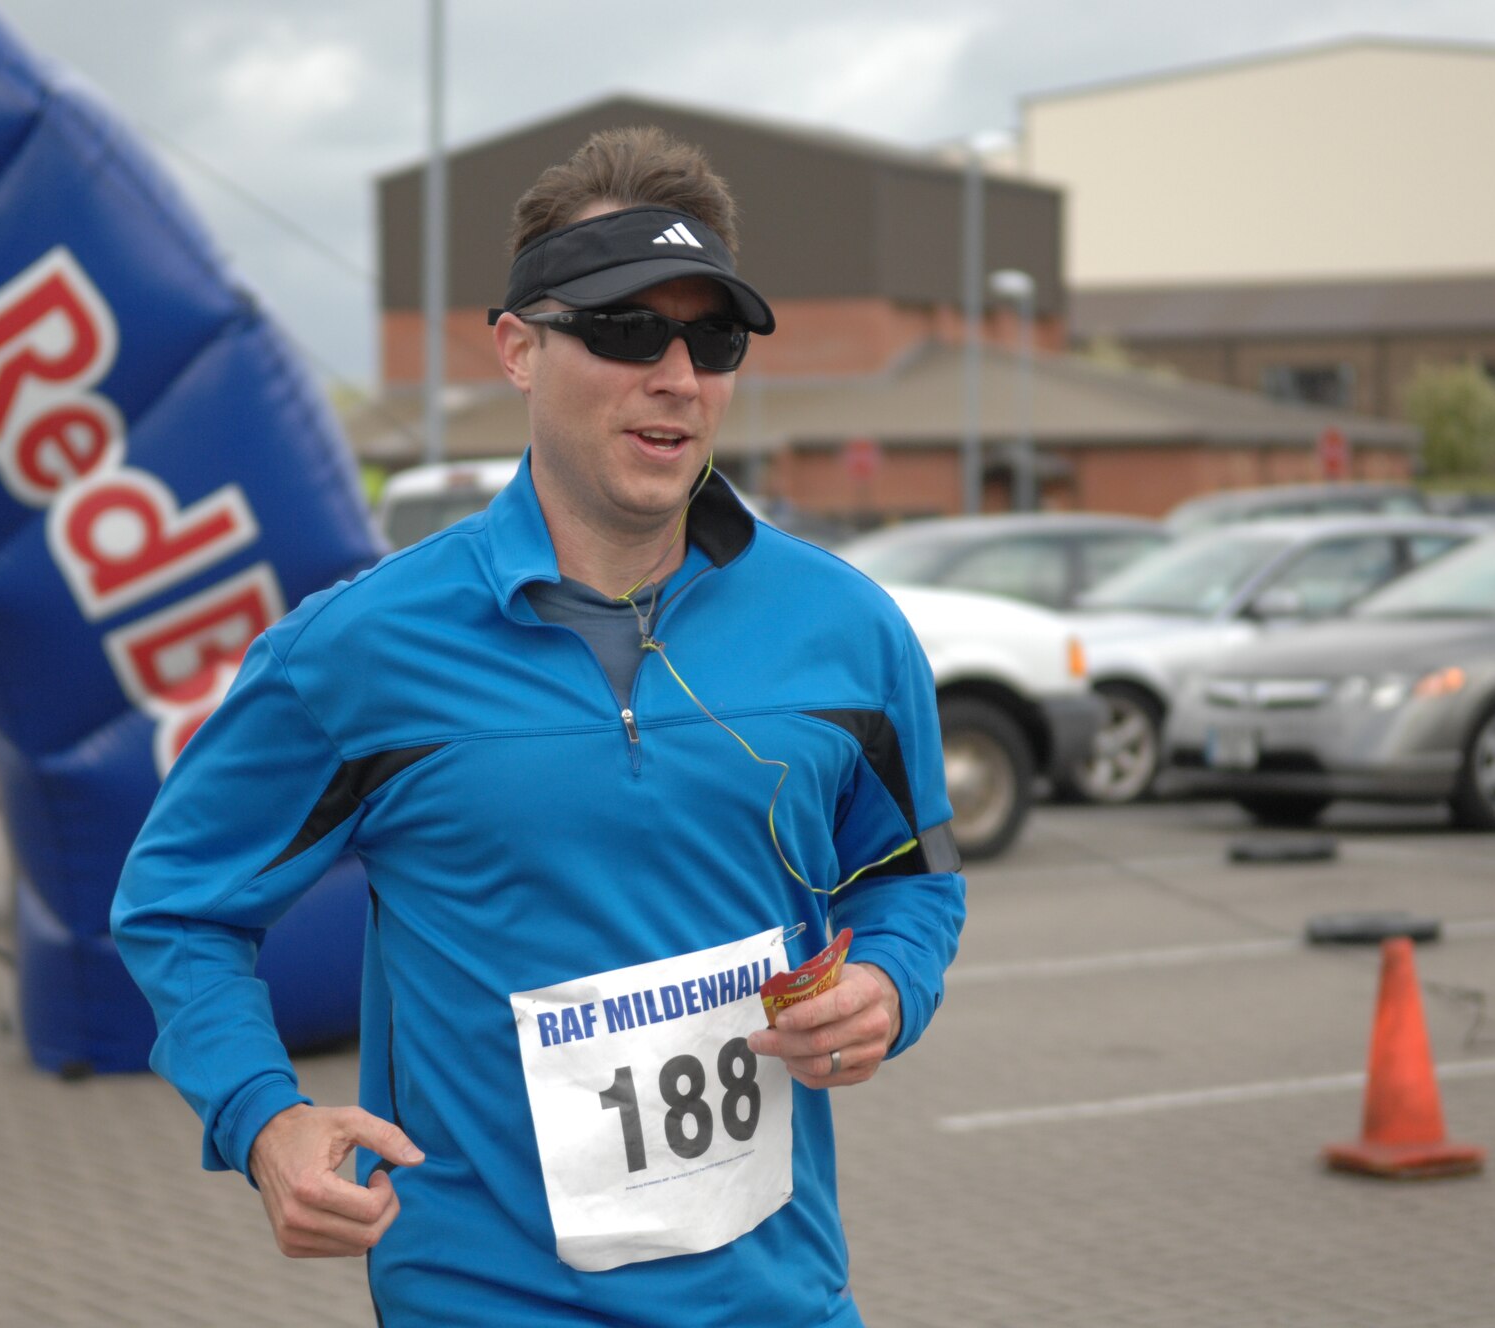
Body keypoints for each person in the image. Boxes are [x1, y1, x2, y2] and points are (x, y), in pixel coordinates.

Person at [113, 126, 966, 1327]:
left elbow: (910, 877)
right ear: (517, 348)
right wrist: (264, 1115)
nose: (676, 375)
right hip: (485, 1300)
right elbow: (176, 905)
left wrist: (886, 981)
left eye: (712, 339)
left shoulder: (845, 626)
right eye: (625, 329)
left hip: (779, 1299)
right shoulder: (358, 648)